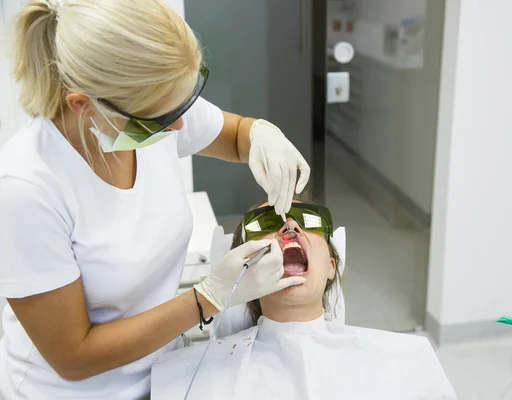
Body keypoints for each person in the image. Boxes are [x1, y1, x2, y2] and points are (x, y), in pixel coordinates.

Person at [0, 1, 310, 398]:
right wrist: (209, 297)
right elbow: (73, 357)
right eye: (163, 117)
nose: (180, 125)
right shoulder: (26, 189)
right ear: (84, 104)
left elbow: (233, 134)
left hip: (166, 373)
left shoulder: (153, 108)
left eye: (183, 103)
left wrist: (262, 135)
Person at [151, 202, 457, 400]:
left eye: (308, 221)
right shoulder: (189, 377)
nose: (290, 228)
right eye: (266, 221)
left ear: (331, 267)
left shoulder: (405, 361)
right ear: (244, 269)